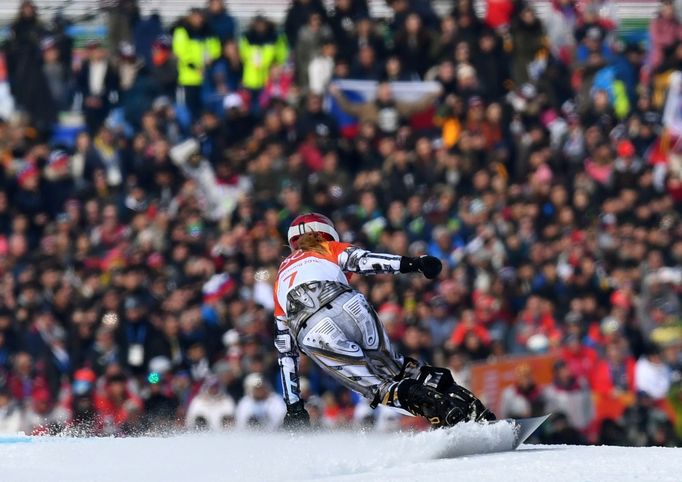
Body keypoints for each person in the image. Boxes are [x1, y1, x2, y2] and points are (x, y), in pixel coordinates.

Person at [273, 213, 494, 429]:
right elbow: (366, 261)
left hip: (310, 326)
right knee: (399, 368)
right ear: (328, 233)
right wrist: (414, 264)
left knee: (378, 388)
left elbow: (286, 352)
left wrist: (294, 406)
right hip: (349, 303)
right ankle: (473, 409)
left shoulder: (279, 280)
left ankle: (442, 412)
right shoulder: (327, 248)